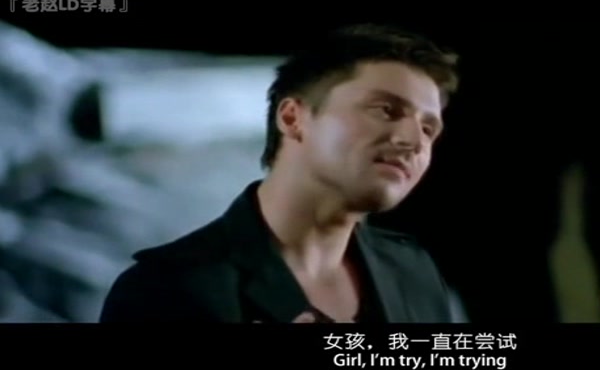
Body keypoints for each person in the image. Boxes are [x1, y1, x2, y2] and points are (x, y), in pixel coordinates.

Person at [99, 24, 459, 323]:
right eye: (386, 110)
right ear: (292, 118)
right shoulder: (165, 289)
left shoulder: (413, 273)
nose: (414, 141)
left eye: (429, 129)